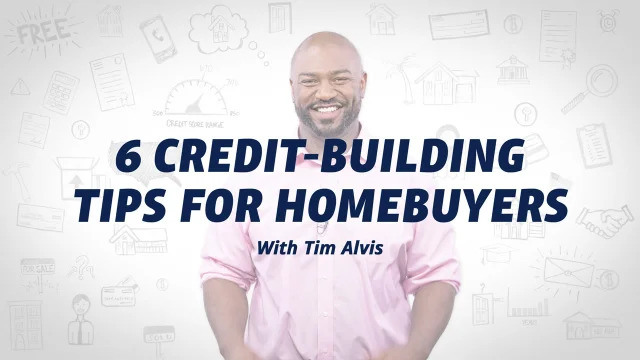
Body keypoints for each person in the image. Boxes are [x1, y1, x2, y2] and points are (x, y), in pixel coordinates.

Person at [200, 31, 461, 360]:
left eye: (340, 78)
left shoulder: (413, 179)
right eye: (310, 81)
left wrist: (416, 351)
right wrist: (234, 349)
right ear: (292, 88)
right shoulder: (248, 180)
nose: (325, 93)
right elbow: (224, 271)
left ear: (362, 84)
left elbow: (436, 274)